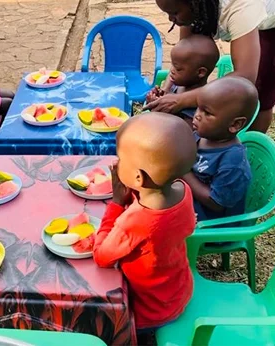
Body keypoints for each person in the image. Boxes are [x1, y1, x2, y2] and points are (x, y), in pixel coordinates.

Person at [93, 112, 196, 333]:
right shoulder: (183, 190)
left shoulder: (136, 220)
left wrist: (116, 203)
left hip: (148, 312)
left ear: (139, 178)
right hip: (177, 292)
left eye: (120, 159)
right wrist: (133, 194)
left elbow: (101, 256)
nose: (115, 163)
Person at [147, 0, 275, 134]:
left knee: (260, 92)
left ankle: (247, 151)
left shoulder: (239, 6)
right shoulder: (194, 6)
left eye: (174, 13)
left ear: (194, 4)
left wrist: (180, 100)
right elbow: (185, 60)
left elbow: (245, 77)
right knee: (193, 62)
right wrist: (167, 91)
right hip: (253, 9)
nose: (171, 19)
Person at [183, 76, 257, 221]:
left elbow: (216, 203)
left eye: (207, 113)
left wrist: (183, 173)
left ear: (235, 125)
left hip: (211, 223)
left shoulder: (233, 162)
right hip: (188, 200)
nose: (197, 115)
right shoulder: (203, 136)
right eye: (198, 107)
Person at [146, 34, 219, 127]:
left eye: (178, 69)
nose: (172, 71)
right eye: (172, 64)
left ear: (200, 72)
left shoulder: (199, 106)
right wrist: (155, 101)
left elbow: (182, 132)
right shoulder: (178, 84)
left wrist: (161, 112)